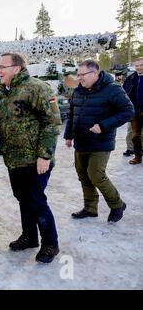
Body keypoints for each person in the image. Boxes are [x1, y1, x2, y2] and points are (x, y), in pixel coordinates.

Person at [0, 52, 62, 264]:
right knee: (24, 199)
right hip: (14, 160)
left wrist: (44, 155)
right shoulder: (3, 94)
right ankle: (30, 237)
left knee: (36, 201)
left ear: (17, 68)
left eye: (2, 66)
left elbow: (52, 123)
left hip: (35, 160)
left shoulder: (37, 88)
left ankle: (51, 243)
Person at [64, 60, 134, 223]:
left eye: (83, 75)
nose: (79, 78)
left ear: (95, 73)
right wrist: (69, 135)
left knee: (96, 174)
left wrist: (103, 126)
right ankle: (90, 208)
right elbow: (73, 113)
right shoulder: (78, 90)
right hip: (81, 140)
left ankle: (117, 205)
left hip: (101, 141)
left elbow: (128, 111)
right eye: (78, 74)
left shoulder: (112, 89)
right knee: (83, 175)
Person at [123, 57, 143, 165]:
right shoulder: (130, 78)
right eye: (137, 65)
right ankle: (138, 157)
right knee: (135, 136)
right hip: (135, 112)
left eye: (141, 65)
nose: (139, 67)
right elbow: (124, 93)